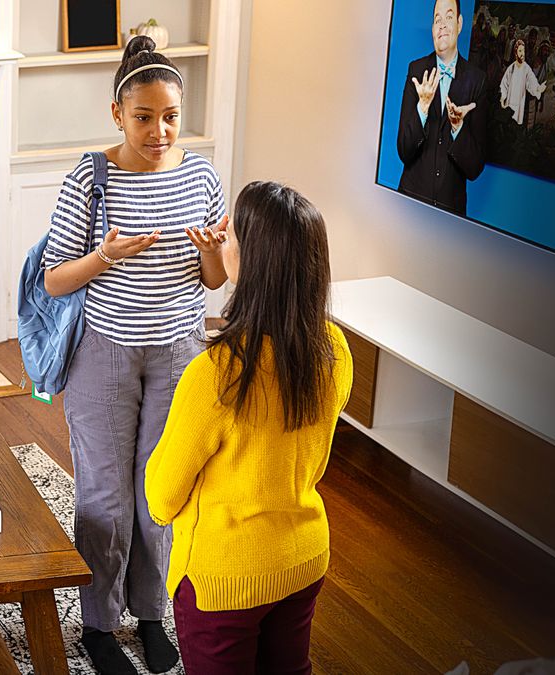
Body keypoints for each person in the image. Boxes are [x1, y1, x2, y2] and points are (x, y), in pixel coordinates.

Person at [40, 34, 229, 675]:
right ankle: (98, 624)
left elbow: (214, 279)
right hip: (105, 356)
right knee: (104, 497)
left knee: (159, 495)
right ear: (117, 113)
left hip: (179, 353)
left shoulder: (202, 175)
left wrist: (210, 250)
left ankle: (152, 617)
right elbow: (53, 277)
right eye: (145, 117)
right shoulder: (89, 178)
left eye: (170, 116)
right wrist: (104, 259)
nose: (159, 131)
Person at [145, 181, 353, 673]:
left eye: (231, 234)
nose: (222, 239)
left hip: (225, 582)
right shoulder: (335, 349)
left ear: (253, 262)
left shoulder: (216, 373)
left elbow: (160, 499)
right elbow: (313, 461)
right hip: (303, 558)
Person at [397, 0, 487, 216]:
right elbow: (403, 150)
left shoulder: (478, 81)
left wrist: (458, 129)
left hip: (451, 215)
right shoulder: (416, 71)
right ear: (432, 29)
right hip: (409, 206)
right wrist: (422, 109)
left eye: (448, 17)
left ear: (459, 23)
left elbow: (475, 168)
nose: (442, 25)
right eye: (437, 20)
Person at [500, 39, 549, 126]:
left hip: (532, 99)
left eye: (547, 51)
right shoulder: (531, 64)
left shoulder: (545, 66)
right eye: (544, 50)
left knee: (529, 121)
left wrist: (541, 100)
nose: (546, 53)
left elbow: (543, 84)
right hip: (523, 97)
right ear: (540, 50)